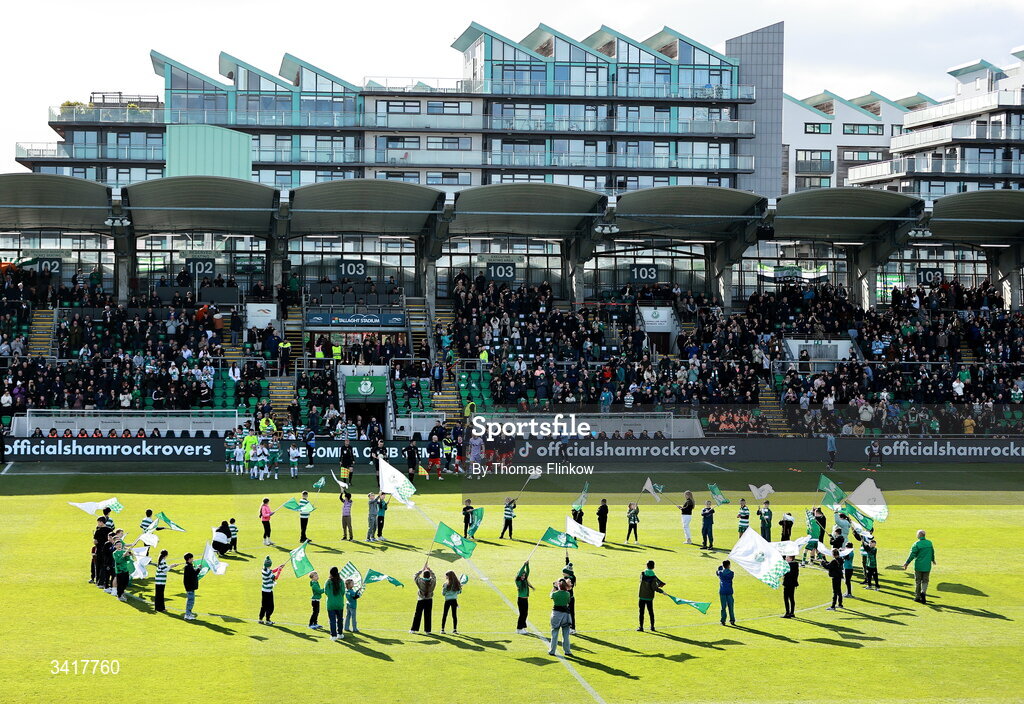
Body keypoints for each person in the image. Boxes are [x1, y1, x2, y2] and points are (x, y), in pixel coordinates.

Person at [903, 529, 936, 603]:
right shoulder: (929, 543)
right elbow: (932, 552)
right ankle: (923, 592)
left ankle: (917, 597)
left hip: (918, 565)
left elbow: (912, 555)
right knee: (925, 581)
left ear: (919, 535)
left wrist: (907, 563)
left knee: (918, 581)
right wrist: (933, 560)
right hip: (927, 566)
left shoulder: (916, 544)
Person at [637, 560, 666, 632]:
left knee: (641, 612)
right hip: (649, 597)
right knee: (651, 612)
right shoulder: (653, 577)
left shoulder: (642, 574)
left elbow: (644, 578)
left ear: (646, 565)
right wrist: (662, 591)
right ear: (653, 567)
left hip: (642, 596)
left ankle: (641, 627)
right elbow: (654, 588)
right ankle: (652, 627)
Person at [549, 578, 573, 657]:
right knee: (566, 634)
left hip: (556, 614)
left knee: (555, 633)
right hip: (565, 615)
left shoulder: (555, 594)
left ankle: (552, 650)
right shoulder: (567, 594)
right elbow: (568, 601)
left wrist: (554, 587)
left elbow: (551, 595)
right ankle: (567, 650)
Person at [411, 563, 436, 633]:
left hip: (421, 599)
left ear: (423, 575)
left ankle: (413, 629)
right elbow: (434, 576)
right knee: (428, 615)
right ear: (429, 575)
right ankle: (427, 630)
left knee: (418, 614)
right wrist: (429, 569)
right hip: (429, 600)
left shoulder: (420, 581)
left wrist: (422, 569)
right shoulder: (433, 581)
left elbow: (415, 576)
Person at [324, 566, 346, 640]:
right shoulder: (341, 581)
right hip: (339, 603)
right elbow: (343, 592)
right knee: (340, 619)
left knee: (332, 620)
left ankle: (333, 635)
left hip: (330, 604)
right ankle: (340, 633)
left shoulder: (328, 582)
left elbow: (325, 591)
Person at [259, 556, 278, 625]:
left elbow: (272, 571)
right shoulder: (268, 571)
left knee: (263, 606)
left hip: (264, 590)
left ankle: (260, 619)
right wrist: (279, 571)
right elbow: (275, 578)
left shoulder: (264, 569)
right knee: (270, 606)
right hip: (268, 592)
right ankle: (267, 620)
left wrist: (278, 567)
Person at [717, 560, 736, 625]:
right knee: (731, 606)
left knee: (723, 607)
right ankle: (732, 620)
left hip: (722, 591)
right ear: (729, 565)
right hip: (729, 591)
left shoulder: (720, 573)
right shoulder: (731, 573)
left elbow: (717, 572)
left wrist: (720, 568)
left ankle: (723, 620)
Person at [515, 562, 532, 634]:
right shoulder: (518, 580)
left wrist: (527, 565)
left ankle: (523, 627)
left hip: (525, 599)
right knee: (522, 614)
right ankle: (519, 629)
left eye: (524, 575)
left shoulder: (525, 580)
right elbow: (520, 573)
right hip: (521, 600)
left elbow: (528, 571)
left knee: (525, 613)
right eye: (522, 575)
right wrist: (524, 565)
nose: (523, 576)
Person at [182, 552, 199, 620]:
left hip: (190, 586)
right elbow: (194, 574)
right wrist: (199, 569)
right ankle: (187, 615)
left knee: (191, 601)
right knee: (190, 601)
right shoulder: (188, 567)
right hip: (190, 587)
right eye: (192, 558)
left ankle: (189, 613)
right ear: (189, 559)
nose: (193, 559)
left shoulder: (189, 566)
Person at [562, 558, 577, 633]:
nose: (563, 574)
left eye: (564, 572)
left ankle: (572, 628)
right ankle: (568, 626)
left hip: (570, 598)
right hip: (566, 598)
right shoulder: (569, 576)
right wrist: (567, 559)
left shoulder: (571, 578)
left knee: (571, 613)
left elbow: (567, 579)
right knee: (566, 613)